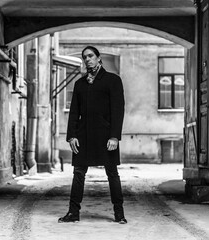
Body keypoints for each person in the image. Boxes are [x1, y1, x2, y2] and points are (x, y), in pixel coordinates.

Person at [58, 46, 127, 224]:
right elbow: (74, 112)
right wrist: (71, 136)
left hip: (106, 136)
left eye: (90, 56)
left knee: (112, 173)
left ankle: (119, 213)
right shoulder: (80, 84)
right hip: (83, 136)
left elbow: (118, 110)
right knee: (78, 173)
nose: (87, 59)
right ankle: (73, 213)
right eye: (84, 57)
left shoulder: (113, 80)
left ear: (98, 58)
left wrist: (114, 137)